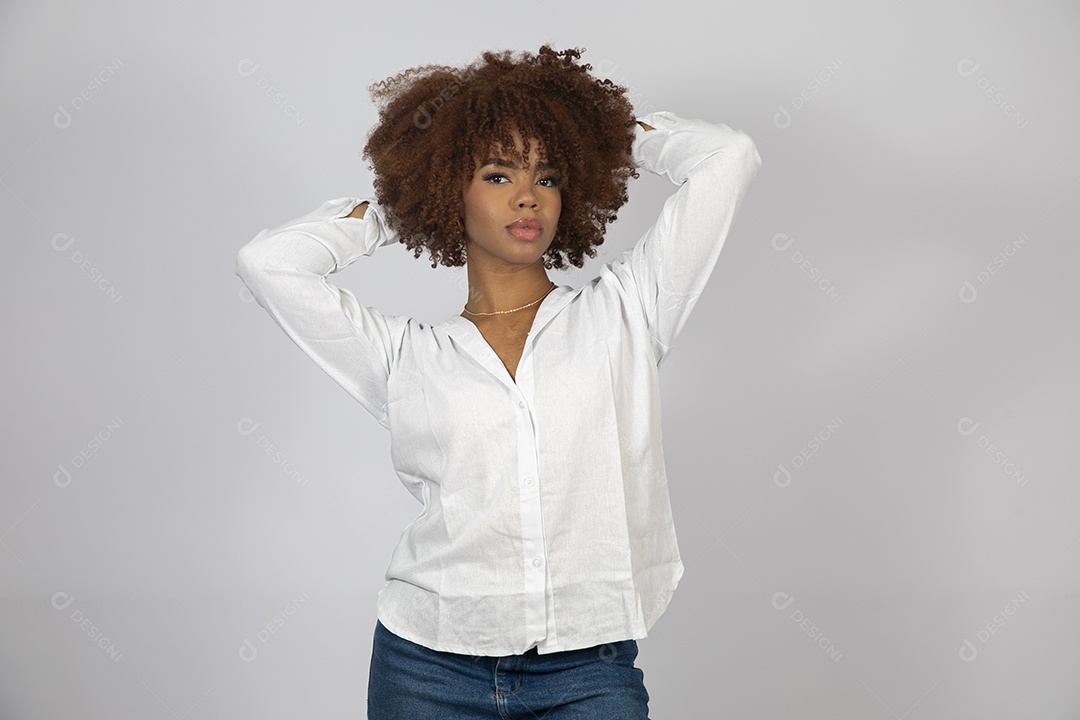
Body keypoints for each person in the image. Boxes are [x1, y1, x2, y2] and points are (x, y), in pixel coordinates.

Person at [236, 44, 760, 720]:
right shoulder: (405, 358)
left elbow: (727, 158)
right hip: (425, 667)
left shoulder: (628, 313)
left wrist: (601, 134)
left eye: (549, 175)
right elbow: (269, 263)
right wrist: (401, 205)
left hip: (588, 669)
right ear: (450, 189)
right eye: (496, 173)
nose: (527, 195)